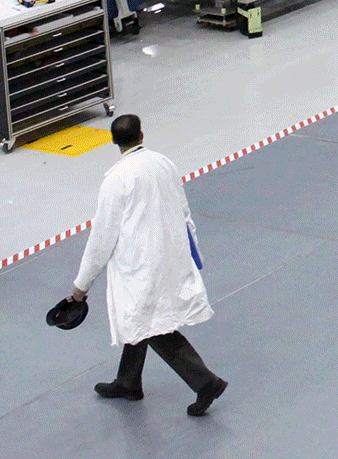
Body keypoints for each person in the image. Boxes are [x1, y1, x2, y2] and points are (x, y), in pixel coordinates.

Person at [64, 114, 227, 416]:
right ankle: (128, 382)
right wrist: (193, 257)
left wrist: (80, 287)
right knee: (138, 320)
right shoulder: (164, 163)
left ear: (113, 141)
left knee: (152, 326)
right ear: (142, 135)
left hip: (139, 267)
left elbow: (101, 239)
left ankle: (205, 382)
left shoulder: (116, 180)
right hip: (168, 255)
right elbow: (183, 210)